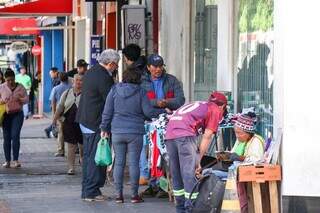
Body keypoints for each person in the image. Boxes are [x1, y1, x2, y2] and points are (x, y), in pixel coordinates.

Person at [100, 67, 168, 204]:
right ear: (138, 79)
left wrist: (104, 128)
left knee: (118, 163)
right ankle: (134, 196)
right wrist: (163, 111)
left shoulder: (114, 90)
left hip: (117, 131)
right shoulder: (141, 92)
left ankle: (119, 195)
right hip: (135, 132)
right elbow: (148, 112)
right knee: (134, 163)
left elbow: (107, 111)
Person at [165, 91, 227, 213]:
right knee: (190, 173)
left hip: (170, 135)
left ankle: (180, 208)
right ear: (223, 106)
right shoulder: (215, 109)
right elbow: (207, 135)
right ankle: (191, 208)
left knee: (176, 172)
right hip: (185, 135)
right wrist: (199, 160)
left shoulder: (200, 104)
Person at [76, 49, 119, 202]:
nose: (116, 68)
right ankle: (92, 191)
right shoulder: (104, 77)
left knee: (88, 157)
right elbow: (109, 101)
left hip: (85, 119)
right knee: (96, 157)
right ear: (112, 64)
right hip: (95, 121)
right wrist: (105, 127)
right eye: (116, 65)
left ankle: (87, 190)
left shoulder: (91, 71)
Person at [141, 54, 185, 196]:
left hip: (167, 122)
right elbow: (142, 101)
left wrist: (166, 102)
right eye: (154, 66)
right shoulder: (142, 82)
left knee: (165, 153)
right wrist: (157, 103)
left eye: (160, 66)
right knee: (149, 154)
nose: (158, 69)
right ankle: (152, 184)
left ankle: (163, 186)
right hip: (148, 121)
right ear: (148, 67)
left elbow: (180, 100)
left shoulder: (171, 80)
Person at [53, 74, 84, 175]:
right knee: (71, 146)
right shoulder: (66, 93)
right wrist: (54, 119)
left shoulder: (87, 94)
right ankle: (71, 167)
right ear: (73, 82)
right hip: (69, 123)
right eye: (77, 80)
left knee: (82, 145)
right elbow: (60, 107)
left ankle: (82, 158)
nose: (79, 82)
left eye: (81, 80)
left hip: (83, 123)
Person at [0, 68, 28, 168]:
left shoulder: (20, 87)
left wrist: (20, 99)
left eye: (12, 79)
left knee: (15, 136)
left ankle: (15, 160)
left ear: (14, 78)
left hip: (17, 114)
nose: (10, 82)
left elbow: (26, 99)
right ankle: (7, 161)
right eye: (8, 80)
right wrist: (2, 101)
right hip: (5, 115)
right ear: (5, 79)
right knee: (6, 137)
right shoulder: (1, 87)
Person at [50, 72, 72, 157]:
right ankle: (75, 148)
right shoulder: (71, 87)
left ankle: (61, 150)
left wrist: (54, 115)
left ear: (59, 79)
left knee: (61, 131)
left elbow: (53, 102)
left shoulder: (55, 89)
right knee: (72, 130)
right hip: (71, 112)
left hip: (60, 113)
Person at [44, 67, 60, 138]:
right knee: (56, 118)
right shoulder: (55, 80)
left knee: (56, 118)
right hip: (57, 102)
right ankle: (51, 130)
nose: (50, 75)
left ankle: (50, 130)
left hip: (58, 102)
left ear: (55, 72)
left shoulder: (57, 80)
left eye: (51, 74)